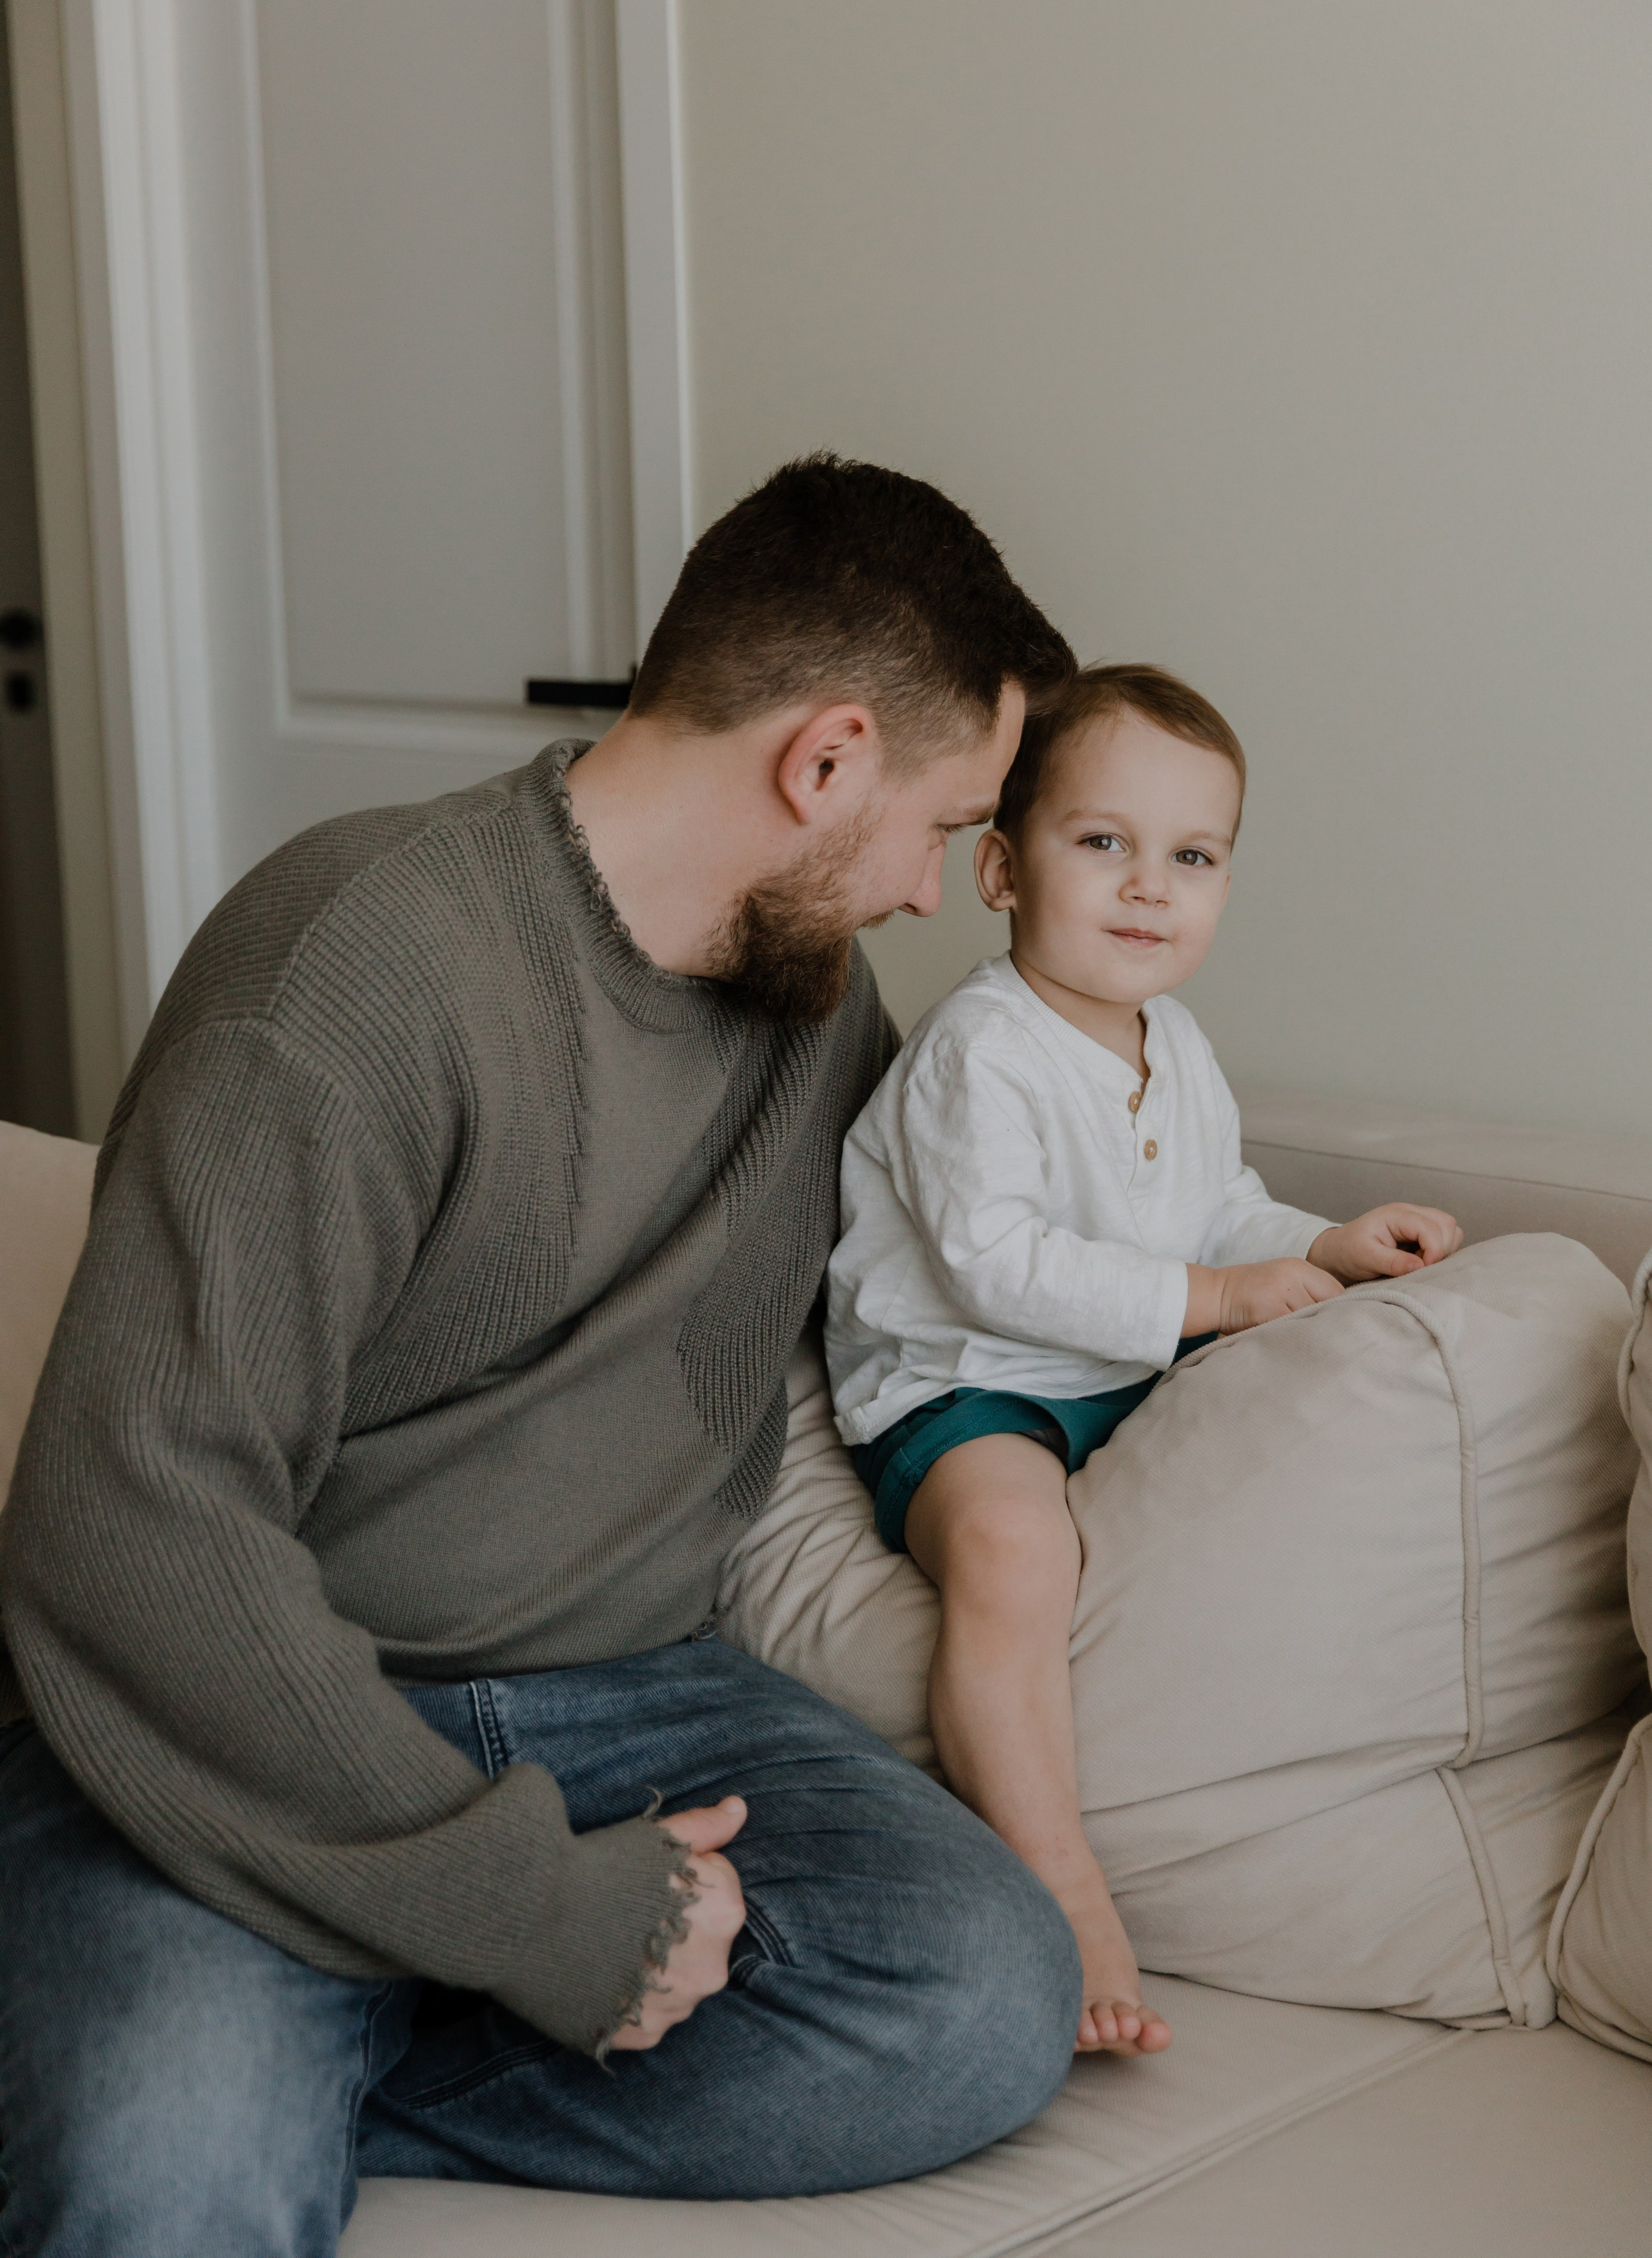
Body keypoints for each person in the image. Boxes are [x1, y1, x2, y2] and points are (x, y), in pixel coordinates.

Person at [0, 456, 1082, 2252]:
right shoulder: (351, 973)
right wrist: (546, 1919)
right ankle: (258, 2021)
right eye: (933, 820)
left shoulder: (818, 1021)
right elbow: (136, 1530)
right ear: (821, 762)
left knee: (978, 1995)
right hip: (269, 1712)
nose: (923, 890)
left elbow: (1002, 1229)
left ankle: (332, 2044)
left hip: (635, 1705)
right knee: (160, 2178)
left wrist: (1260, 1266)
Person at [826, 662, 1463, 2061]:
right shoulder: (979, 1053)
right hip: (966, 1377)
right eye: (1099, 843)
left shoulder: (1172, 1044)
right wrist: (1220, 1294)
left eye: (1190, 858)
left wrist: (1326, 1242)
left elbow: (1217, 1207)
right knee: (1011, 1550)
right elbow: (991, 1262)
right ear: (999, 867)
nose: (1144, 889)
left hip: (1117, 1366)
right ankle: (1054, 1872)